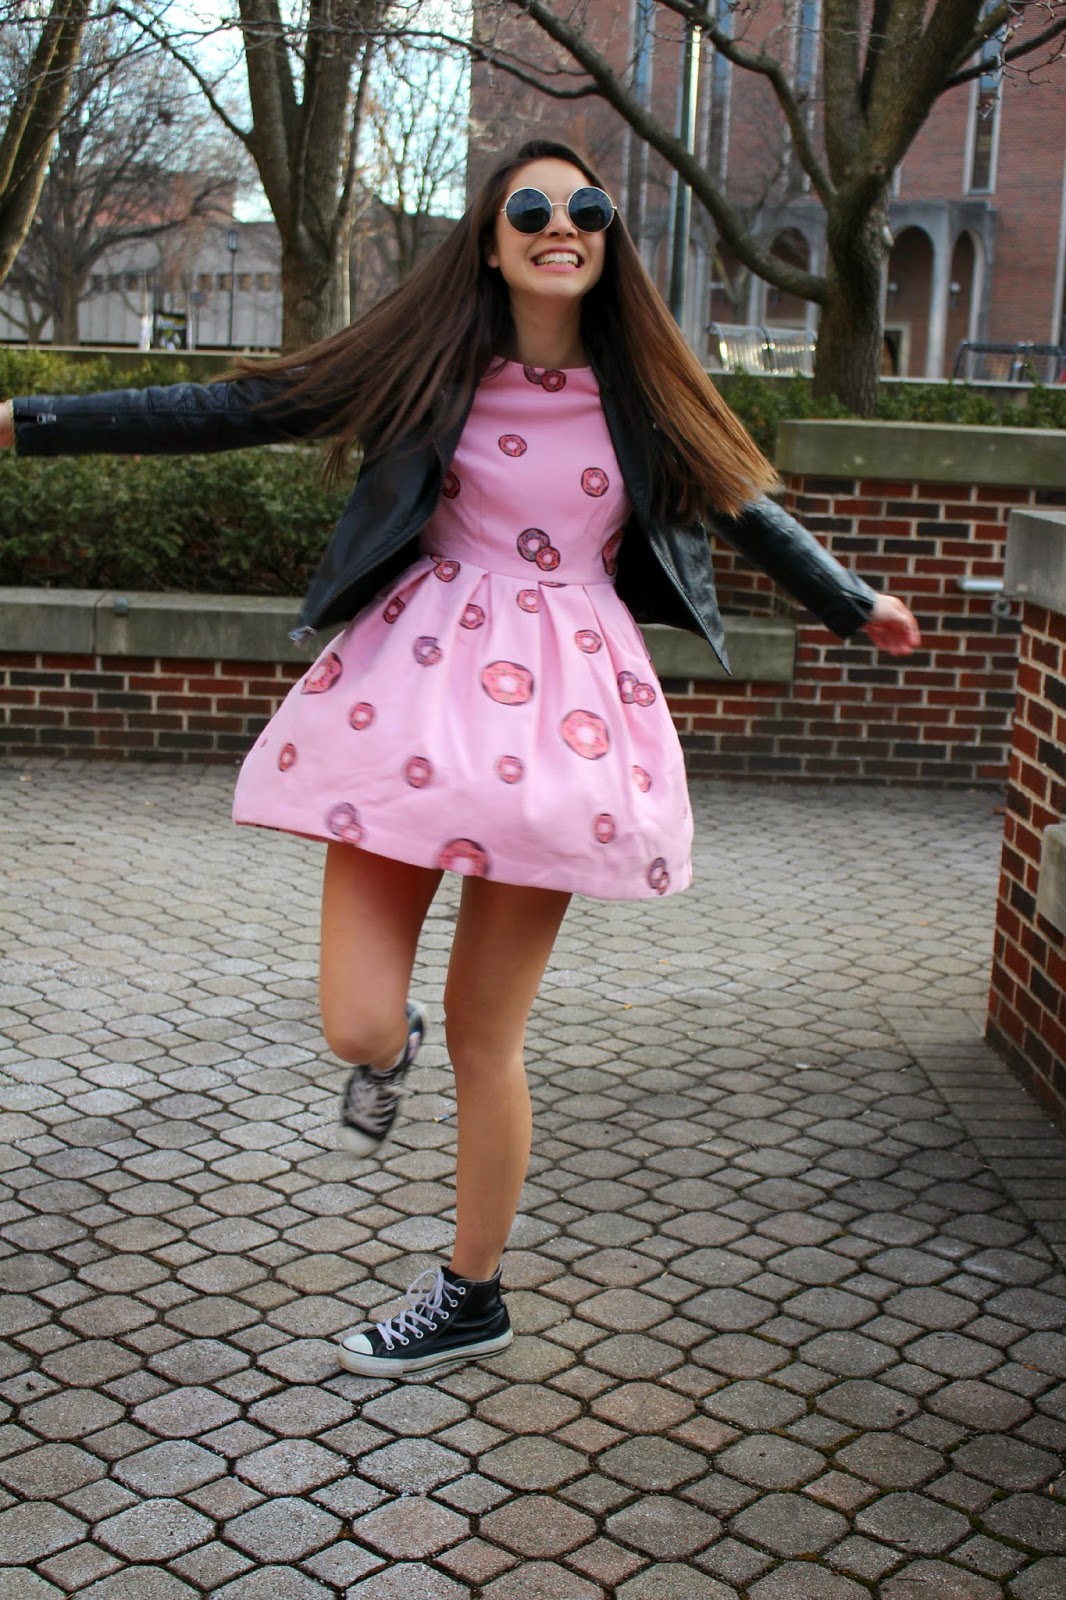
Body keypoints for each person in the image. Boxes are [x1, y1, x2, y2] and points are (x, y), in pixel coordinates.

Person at [1, 139, 921, 1379]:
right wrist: (24, 423)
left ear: (608, 241)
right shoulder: (426, 367)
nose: (561, 224)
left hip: (562, 729)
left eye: (586, 208)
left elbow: (744, 505)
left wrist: (852, 603)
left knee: (490, 1032)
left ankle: (471, 1293)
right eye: (530, 208)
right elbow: (234, 407)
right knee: (355, 1019)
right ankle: (387, 1060)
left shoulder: (645, 393)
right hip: (411, 706)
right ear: (490, 240)